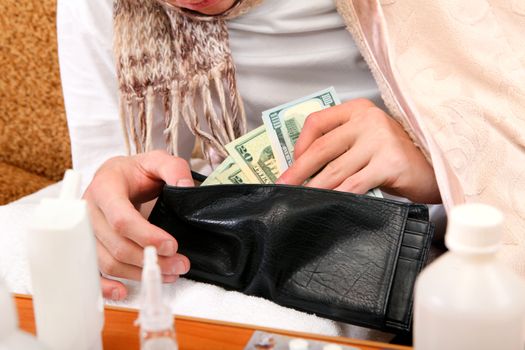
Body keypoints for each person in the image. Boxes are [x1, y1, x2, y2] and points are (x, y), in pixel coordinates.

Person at [57, 0, 525, 304]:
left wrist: (432, 169)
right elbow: (104, 166)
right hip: (217, 262)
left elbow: (505, 124)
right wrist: (112, 196)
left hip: (407, 262)